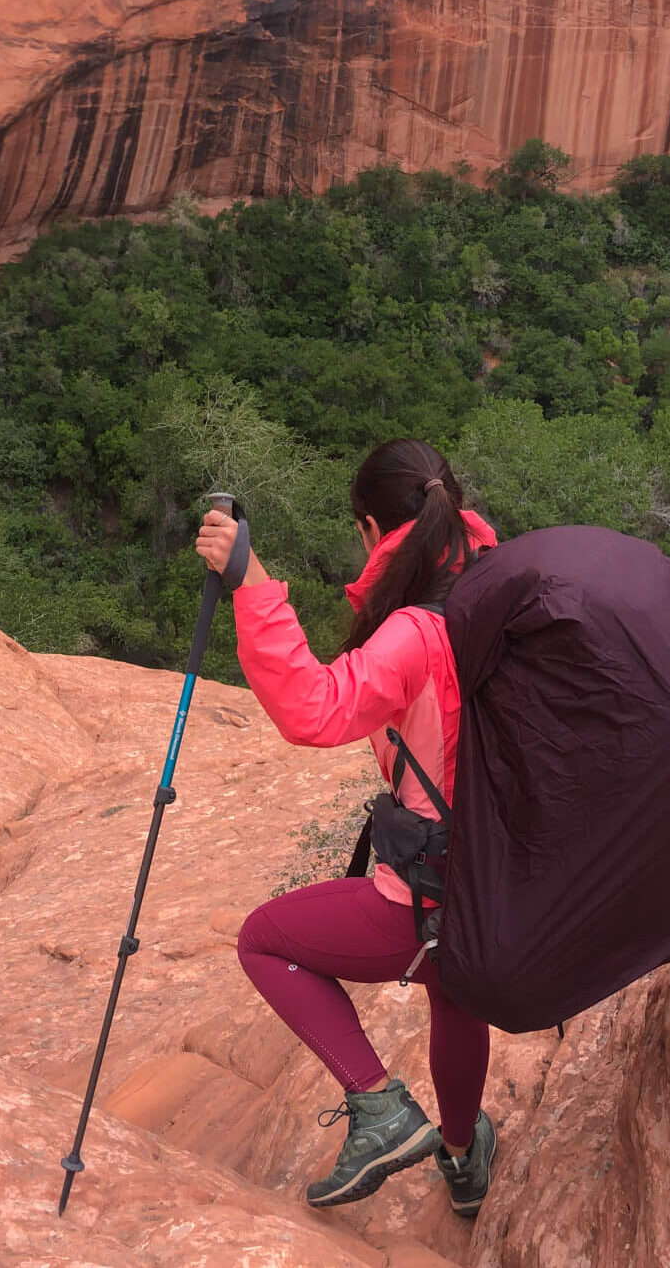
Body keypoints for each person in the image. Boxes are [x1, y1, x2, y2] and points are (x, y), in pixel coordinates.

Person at [195, 439, 499, 1217]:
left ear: (371, 529)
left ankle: (379, 1108)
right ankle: (463, 1160)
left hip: (428, 893)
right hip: (500, 879)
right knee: (452, 993)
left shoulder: (415, 631)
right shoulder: (500, 583)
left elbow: (314, 709)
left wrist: (249, 581)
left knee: (264, 939)